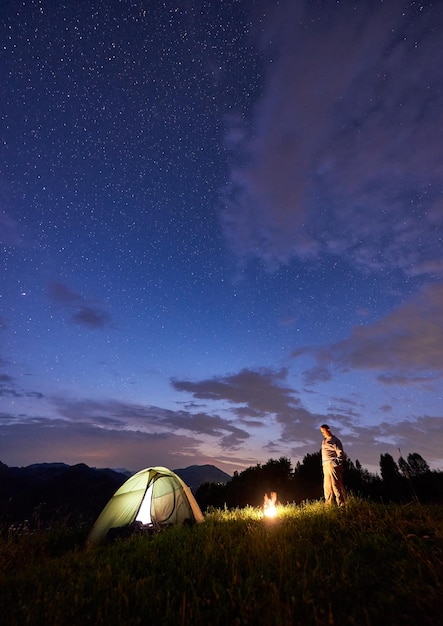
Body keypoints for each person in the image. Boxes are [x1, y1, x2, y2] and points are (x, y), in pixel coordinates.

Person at [320, 424, 346, 506]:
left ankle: (341, 504)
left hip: (332, 465)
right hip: (326, 465)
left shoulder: (335, 441)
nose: (322, 433)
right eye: (321, 432)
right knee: (327, 486)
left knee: (336, 485)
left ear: (328, 430)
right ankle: (328, 505)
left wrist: (336, 463)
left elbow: (341, 453)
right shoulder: (324, 441)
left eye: (323, 431)